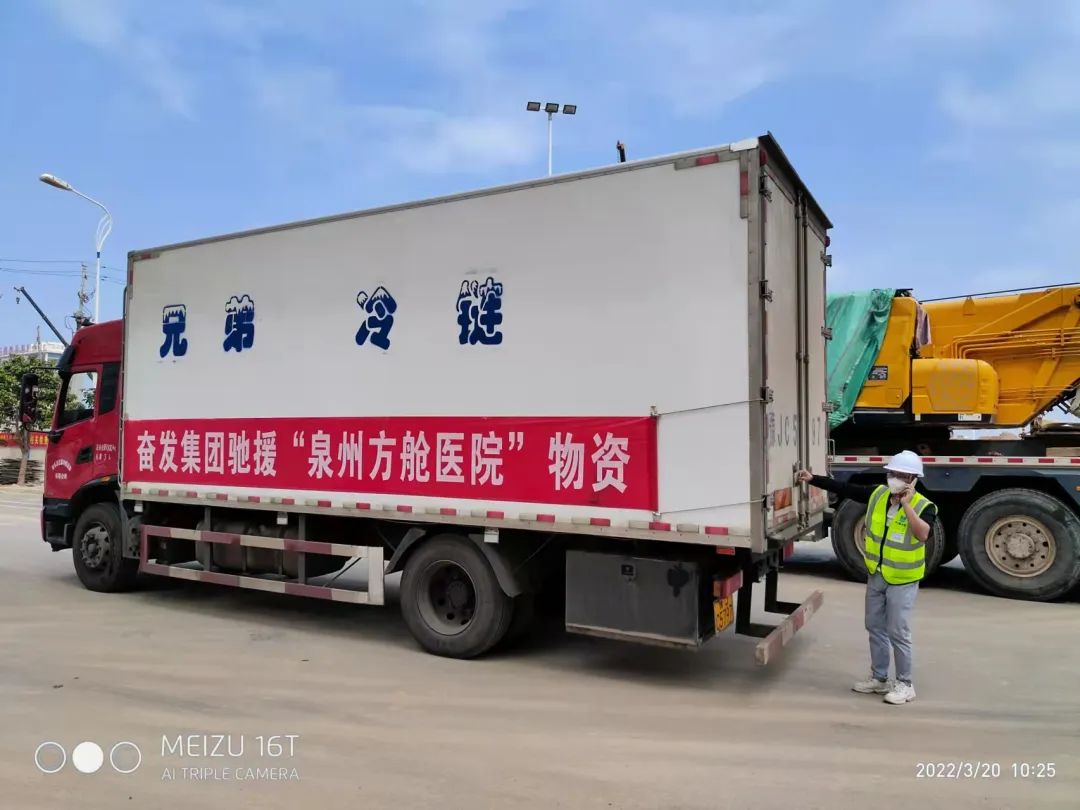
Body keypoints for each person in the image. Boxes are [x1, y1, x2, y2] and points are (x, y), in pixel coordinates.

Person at [796, 450, 936, 705]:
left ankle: (905, 684)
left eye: (902, 475)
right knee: (874, 626)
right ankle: (880, 678)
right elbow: (845, 488)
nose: (895, 479)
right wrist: (813, 478)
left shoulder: (924, 506)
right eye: (892, 473)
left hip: (902, 580)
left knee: (898, 631)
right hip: (877, 575)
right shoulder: (878, 495)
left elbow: (922, 534)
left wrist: (906, 505)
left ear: (913, 479)